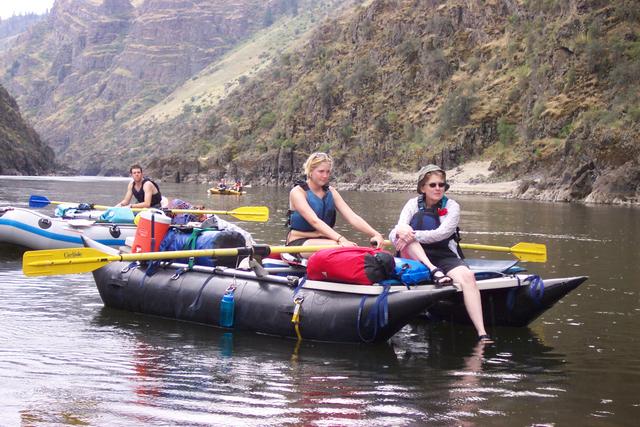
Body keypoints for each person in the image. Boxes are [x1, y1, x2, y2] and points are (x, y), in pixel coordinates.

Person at [389, 164, 492, 342]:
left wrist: (411, 234)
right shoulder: (412, 204)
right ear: (423, 187)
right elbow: (397, 231)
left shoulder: (452, 206)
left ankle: (482, 333)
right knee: (406, 235)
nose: (438, 188)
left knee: (468, 277)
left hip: (443, 253)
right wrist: (402, 234)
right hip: (413, 254)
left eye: (441, 185)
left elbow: (441, 234)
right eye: (433, 185)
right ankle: (432, 270)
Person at [286, 152, 385, 256]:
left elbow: (352, 217)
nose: (325, 176)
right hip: (298, 243)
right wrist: (342, 239)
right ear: (310, 171)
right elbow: (314, 221)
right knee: (341, 248)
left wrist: (376, 234)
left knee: (345, 248)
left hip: (326, 241)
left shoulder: (331, 192)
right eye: (321, 171)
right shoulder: (297, 192)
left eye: (328, 172)